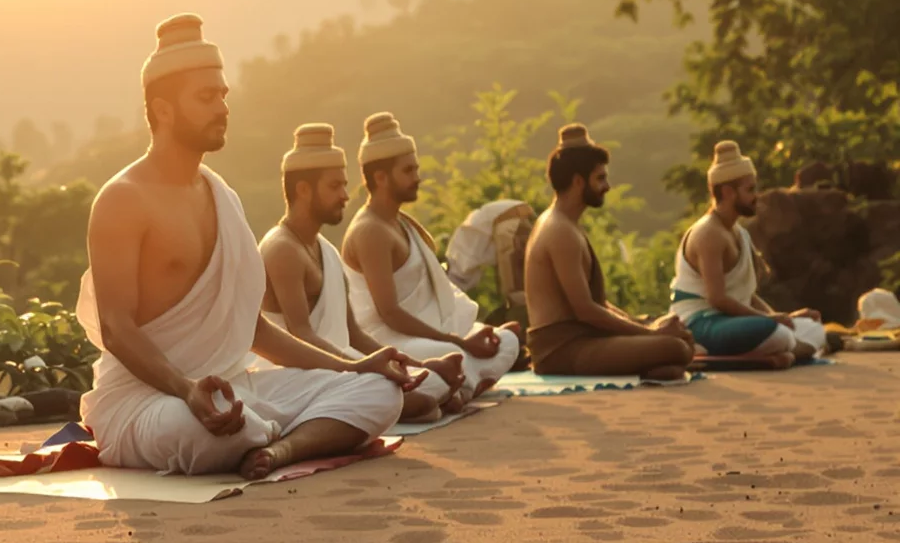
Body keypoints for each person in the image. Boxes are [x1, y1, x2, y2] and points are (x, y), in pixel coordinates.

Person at [78, 17, 411, 479]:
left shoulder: (222, 197)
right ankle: (272, 434)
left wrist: (354, 367)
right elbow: (116, 327)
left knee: (380, 391)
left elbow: (257, 332)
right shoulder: (122, 199)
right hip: (146, 401)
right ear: (165, 110)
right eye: (205, 97)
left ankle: (279, 450)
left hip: (230, 389)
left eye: (223, 95)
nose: (222, 107)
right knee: (203, 426)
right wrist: (187, 388)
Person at [258, 123, 457, 421]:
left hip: (336, 367)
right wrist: (362, 368)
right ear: (303, 190)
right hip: (294, 371)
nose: (345, 195)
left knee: (431, 384)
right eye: (334, 186)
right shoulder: (282, 248)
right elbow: (301, 335)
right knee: (418, 399)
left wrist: (420, 364)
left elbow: (353, 333)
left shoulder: (325, 249)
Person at [341, 112, 522, 396]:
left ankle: (458, 386)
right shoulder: (370, 231)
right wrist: (459, 342)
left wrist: (465, 336)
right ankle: (455, 385)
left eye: (416, 169)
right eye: (408, 171)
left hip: (427, 334)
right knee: (451, 356)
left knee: (507, 340)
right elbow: (389, 314)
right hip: (388, 340)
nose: (417, 177)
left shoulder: (400, 222)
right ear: (381, 177)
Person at [523, 123, 694, 378]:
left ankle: (653, 364)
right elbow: (585, 310)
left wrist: (642, 323)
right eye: (600, 178)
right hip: (560, 351)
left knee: (679, 337)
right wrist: (651, 334)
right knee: (674, 347)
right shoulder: (558, 230)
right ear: (579, 181)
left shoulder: (569, 225)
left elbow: (597, 304)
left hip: (583, 340)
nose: (607, 186)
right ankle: (653, 361)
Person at [670, 141, 824, 364]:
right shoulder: (708, 234)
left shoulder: (739, 233)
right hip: (701, 323)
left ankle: (781, 352)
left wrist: (785, 318)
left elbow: (746, 296)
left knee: (811, 327)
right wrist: (772, 321)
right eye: (750, 189)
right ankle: (783, 351)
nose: (756, 196)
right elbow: (718, 299)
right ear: (728, 192)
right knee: (776, 332)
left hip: (734, 322)